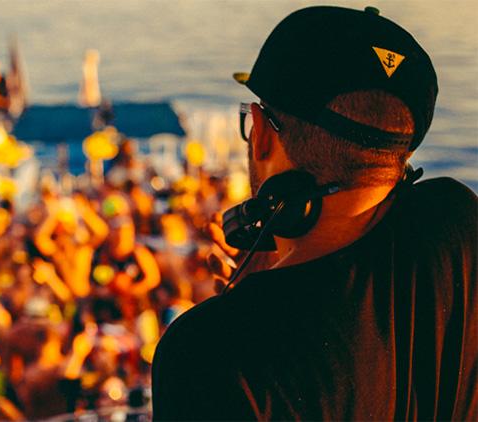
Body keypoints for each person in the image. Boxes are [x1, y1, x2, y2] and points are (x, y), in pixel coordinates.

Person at [152, 6, 476, 421]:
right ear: (404, 149)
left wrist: (246, 310)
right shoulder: (458, 220)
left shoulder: (204, 352)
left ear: (262, 135)